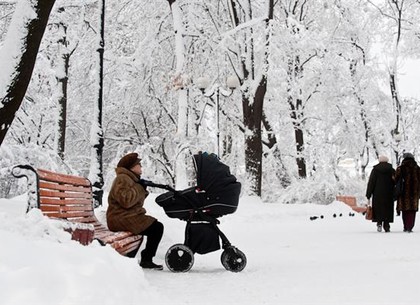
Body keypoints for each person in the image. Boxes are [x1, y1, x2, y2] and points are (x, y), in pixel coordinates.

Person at [107, 152, 164, 270]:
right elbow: (126, 200)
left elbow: (133, 200)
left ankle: (147, 259)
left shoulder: (129, 179)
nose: (141, 167)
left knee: (156, 227)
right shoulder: (122, 179)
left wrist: (141, 188)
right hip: (121, 218)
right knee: (157, 228)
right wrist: (140, 188)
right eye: (139, 164)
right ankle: (146, 260)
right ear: (132, 167)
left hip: (127, 217)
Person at [366, 155, 395, 232]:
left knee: (378, 208)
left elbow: (371, 182)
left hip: (377, 193)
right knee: (387, 209)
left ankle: (379, 223)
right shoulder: (391, 170)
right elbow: (395, 181)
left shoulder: (375, 170)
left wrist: (368, 194)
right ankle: (386, 225)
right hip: (389, 193)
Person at [394, 152, 420, 233]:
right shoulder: (417, 168)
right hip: (414, 193)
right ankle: (410, 226)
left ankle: (406, 226)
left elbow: (395, 179)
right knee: (412, 211)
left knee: (404, 210)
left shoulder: (400, 168)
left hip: (403, 193)